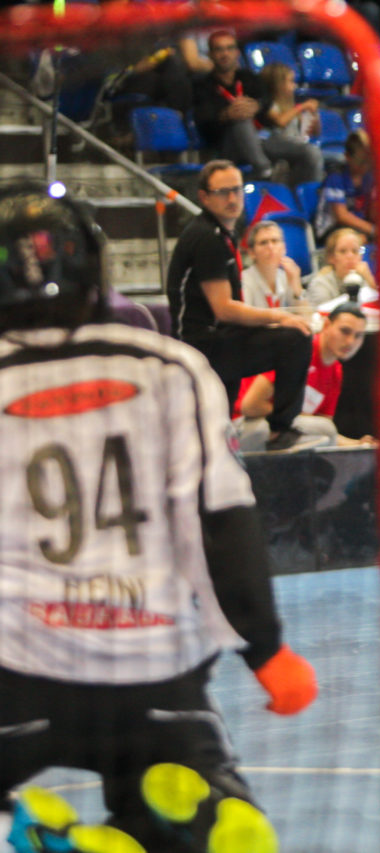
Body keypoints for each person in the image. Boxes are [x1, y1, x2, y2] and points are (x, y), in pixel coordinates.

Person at [0, 184, 315, 853]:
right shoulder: (172, 367)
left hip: (18, 672)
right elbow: (221, 520)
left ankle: (25, 831)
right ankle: (188, 812)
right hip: (153, 667)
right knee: (184, 793)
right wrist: (266, 649)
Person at [167, 160, 316, 452]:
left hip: (220, 337)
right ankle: (281, 431)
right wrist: (278, 317)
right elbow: (223, 308)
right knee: (295, 339)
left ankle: (232, 445)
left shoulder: (221, 233)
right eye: (223, 192)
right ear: (204, 197)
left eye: (237, 190)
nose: (233, 198)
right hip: (202, 345)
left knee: (217, 427)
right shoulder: (207, 238)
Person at [237, 303, 377, 449]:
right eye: (345, 331)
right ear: (326, 325)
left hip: (281, 429)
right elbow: (250, 406)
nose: (350, 342)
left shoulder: (336, 372)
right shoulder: (299, 350)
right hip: (242, 426)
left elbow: (321, 429)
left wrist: (358, 444)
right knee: (324, 430)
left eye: (358, 336)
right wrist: (297, 415)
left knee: (324, 435)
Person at [192, 31, 322, 187]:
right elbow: (203, 120)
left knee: (310, 152)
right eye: (219, 49)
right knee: (241, 121)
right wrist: (226, 114)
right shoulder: (202, 85)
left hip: (261, 140)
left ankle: (306, 196)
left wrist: (256, 106)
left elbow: (266, 104)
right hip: (227, 144)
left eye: (229, 48)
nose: (225, 54)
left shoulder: (249, 78)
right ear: (210, 54)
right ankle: (264, 170)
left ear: (237, 53)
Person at [315, 129, 376, 242]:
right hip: (330, 230)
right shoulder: (335, 177)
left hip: (357, 227)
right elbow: (341, 216)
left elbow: (371, 211)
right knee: (358, 239)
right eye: (361, 162)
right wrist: (372, 229)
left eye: (368, 162)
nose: (365, 166)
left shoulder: (368, 177)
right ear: (347, 156)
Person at [241, 220, 305, 309]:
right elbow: (243, 317)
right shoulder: (244, 281)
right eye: (263, 242)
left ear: (284, 248)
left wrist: (296, 286)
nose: (270, 247)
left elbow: (305, 314)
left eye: (275, 241)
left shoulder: (286, 276)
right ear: (251, 253)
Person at [306, 227, 377, 304]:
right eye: (343, 251)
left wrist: (370, 279)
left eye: (355, 251)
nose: (350, 256)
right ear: (331, 257)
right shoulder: (320, 284)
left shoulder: (364, 278)